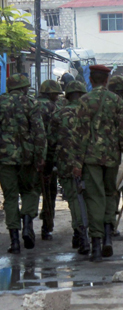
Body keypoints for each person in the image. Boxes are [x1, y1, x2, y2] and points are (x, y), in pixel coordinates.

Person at [76, 64, 123, 262]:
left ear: (91, 80)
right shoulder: (116, 100)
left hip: (90, 159)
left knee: (94, 198)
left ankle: (95, 245)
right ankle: (108, 237)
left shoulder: (84, 101)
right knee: (111, 194)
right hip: (112, 158)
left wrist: (76, 163)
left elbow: (80, 135)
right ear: (106, 80)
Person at [0, 74, 46, 254]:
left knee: (10, 197)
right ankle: (27, 224)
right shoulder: (32, 104)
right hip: (28, 157)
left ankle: (14, 241)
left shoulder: (1, 103)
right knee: (30, 191)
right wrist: (40, 156)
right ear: (25, 87)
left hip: (4, 158)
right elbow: (39, 132)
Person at [48, 81, 90, 255]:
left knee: (73, 199)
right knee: (89, 198)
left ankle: (80, 233)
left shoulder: (59, 113)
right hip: (88, 162)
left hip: (66, 162)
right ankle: (88, 234)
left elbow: (50, 141)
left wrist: (49, 163)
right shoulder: (89, 112)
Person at [36, 80, 63, 241]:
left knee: (31, 192)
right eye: (56, 94)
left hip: (32, 156)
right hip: (50, 157)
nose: (58, 97)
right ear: (50, 93)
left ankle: (25, 226)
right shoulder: (55, 109)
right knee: (49, 193)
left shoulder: (31, 105)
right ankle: (47, 227)